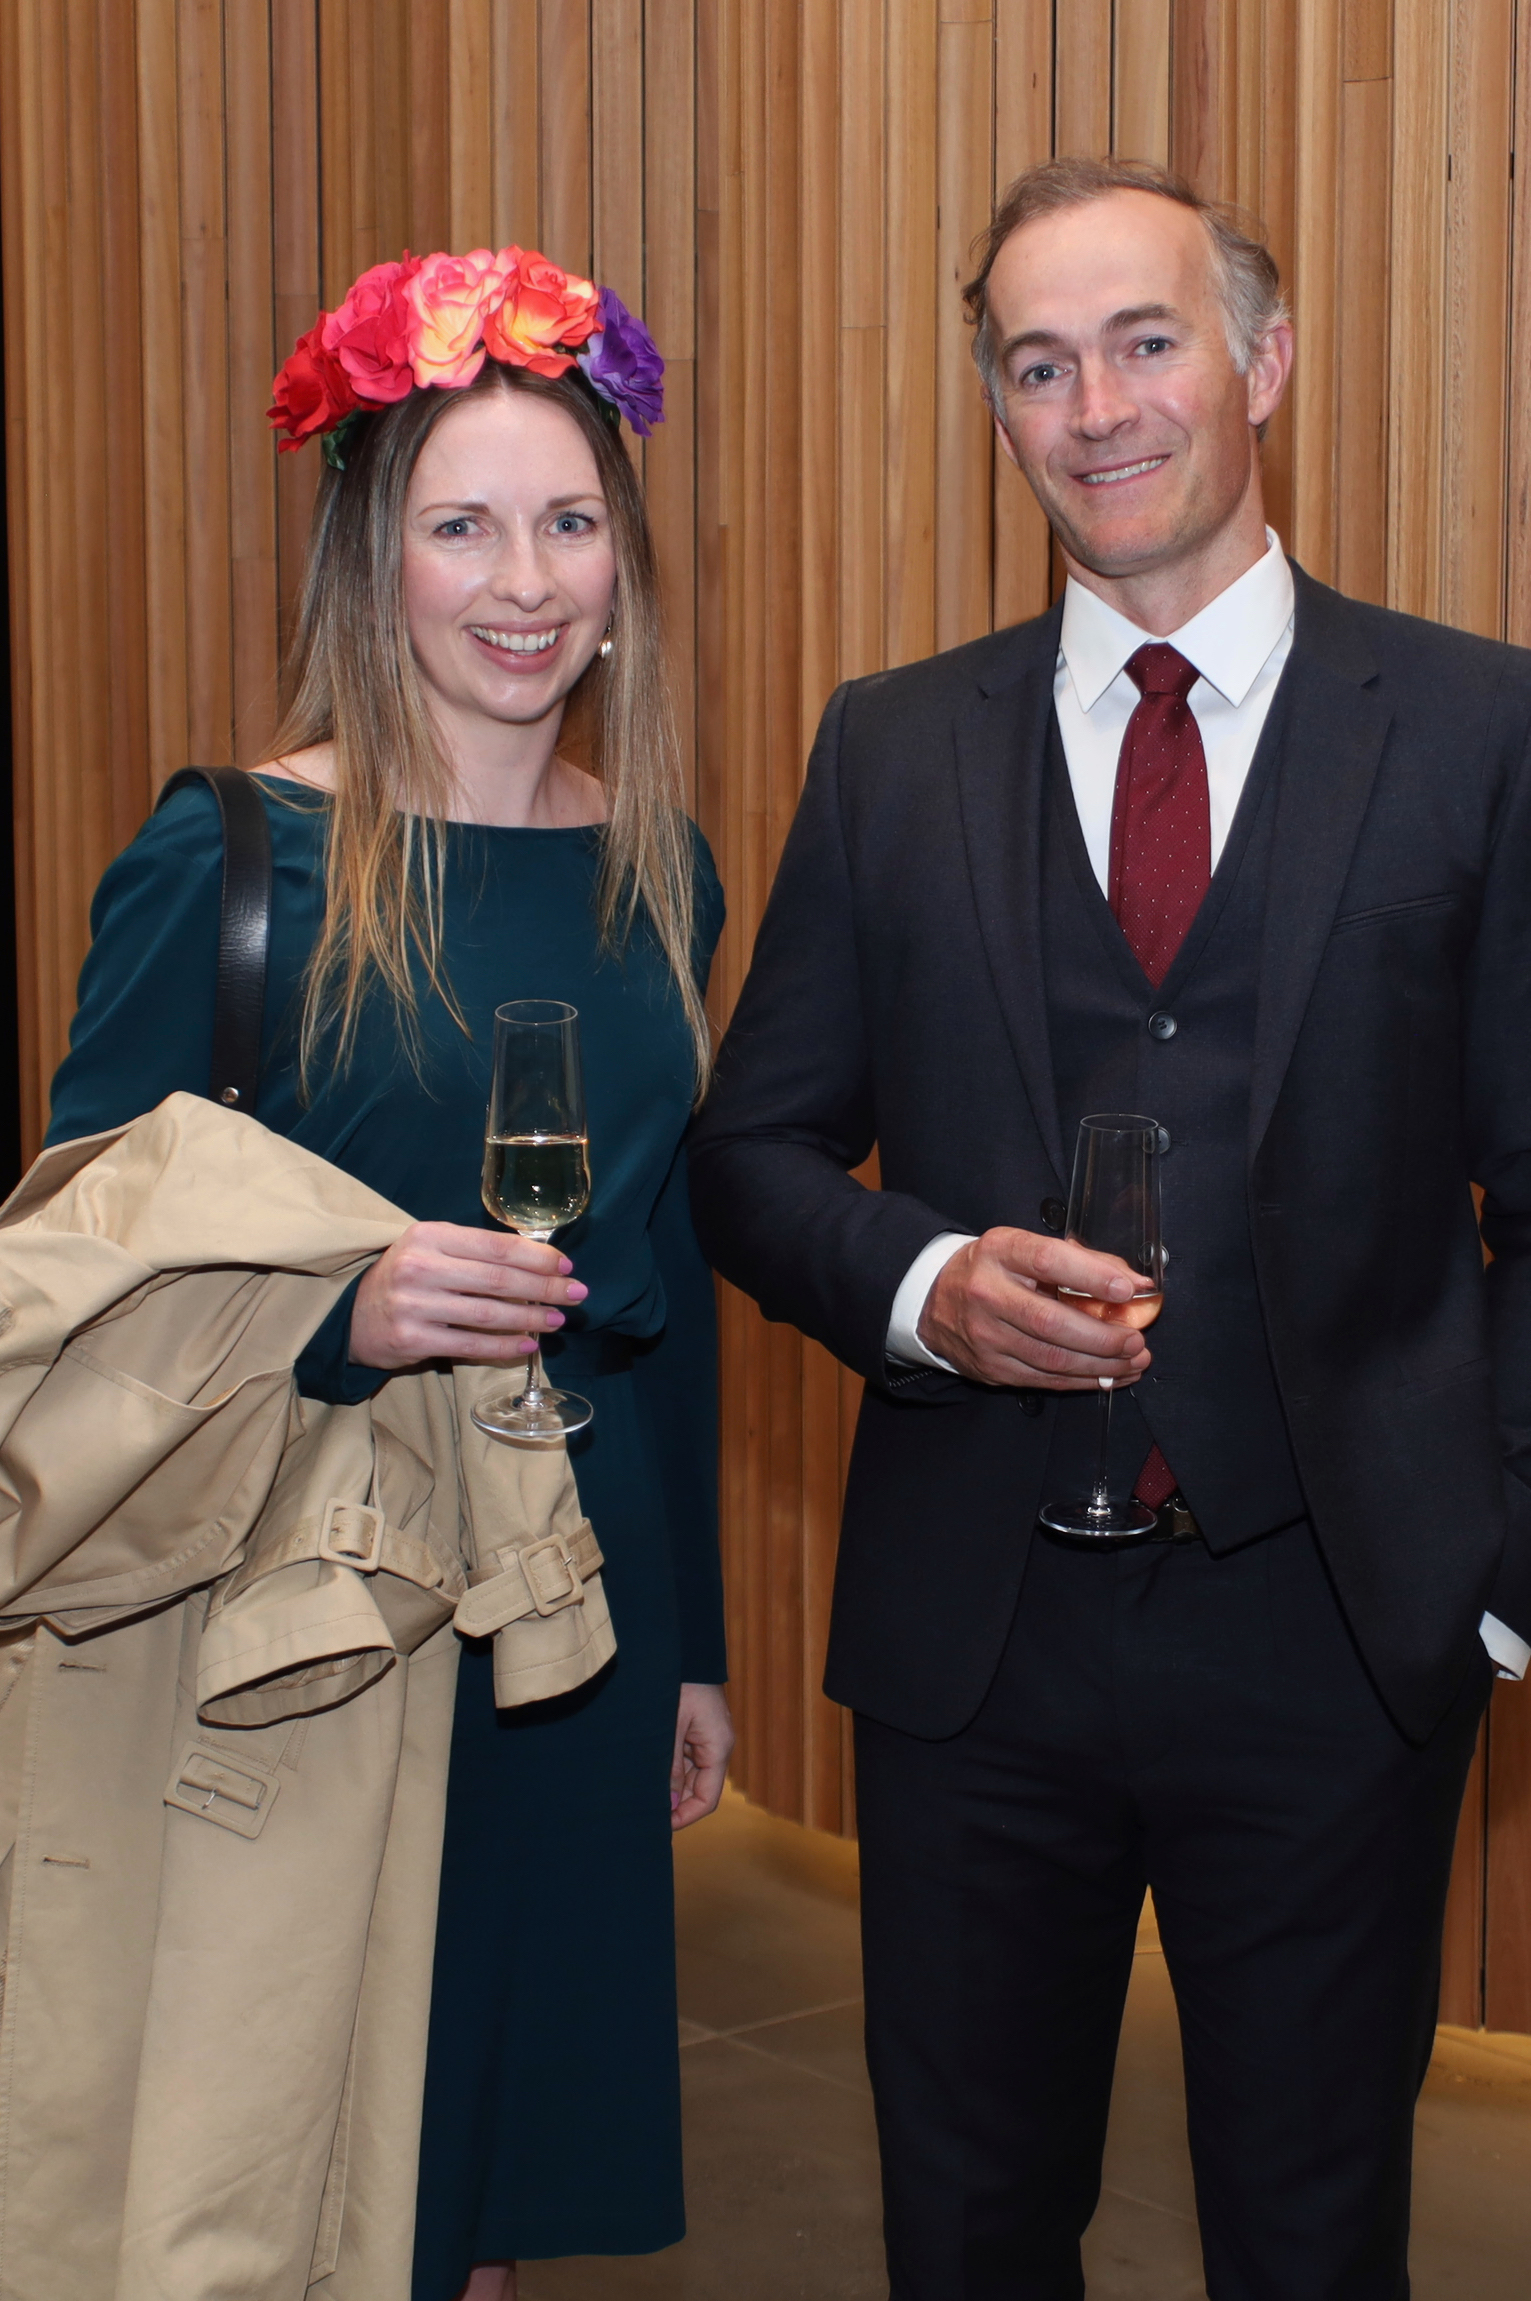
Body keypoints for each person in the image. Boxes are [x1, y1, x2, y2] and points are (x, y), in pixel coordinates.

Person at [688, 155, 1531, 2299]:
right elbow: (750, 1150)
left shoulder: (1477, 729)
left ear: (1262, 361)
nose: (1096, 407)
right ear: (1000, 409)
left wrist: (1493, 1592)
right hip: (973, 1650)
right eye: (1038, 364)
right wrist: (922, 1287)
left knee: (1312, 2242)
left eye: (1145, 342)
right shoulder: (890, 749)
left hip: (1334, 1640)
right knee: (970, 2233)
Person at [47, 245, 734, 2301]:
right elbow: (86, 1263)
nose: (524, 581)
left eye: (570, 522)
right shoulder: (234, 857)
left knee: (484, 2179)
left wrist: (692, 1638)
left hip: (568, 1593)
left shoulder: (661, 866)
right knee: (309, 2158)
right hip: (318, 1595)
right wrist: (335, 1318)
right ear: (374, 557)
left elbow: (667, 1267)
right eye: (462, 526)